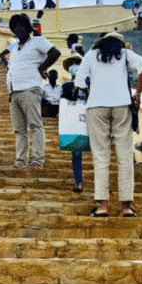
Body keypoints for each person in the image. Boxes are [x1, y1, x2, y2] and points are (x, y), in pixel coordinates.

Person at [75, 32, 142, 217]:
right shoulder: (124, 54)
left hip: (96, 107)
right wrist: (138, 93)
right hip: (122, 105)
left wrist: (91, 91)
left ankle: (102, 205)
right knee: (124, 156)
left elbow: (78, 80)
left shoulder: (91, 55)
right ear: (120, 44)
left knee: (100, 156)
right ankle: (126, 207)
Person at [0, 13, 61, 169]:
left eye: (22, 25)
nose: (18, 28)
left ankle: (38, 160)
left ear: (28, 28)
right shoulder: (15, 47)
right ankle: (20, 161)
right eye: (15, 26)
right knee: (19, 130)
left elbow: (55, 53)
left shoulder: (37, 41)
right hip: (14, 92)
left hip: (30, 89)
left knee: (35, 125)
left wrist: (42, 67)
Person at [61, 55, 85, 192]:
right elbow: (65, 105)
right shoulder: (66, 86)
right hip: (75, 122)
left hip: (90, 119)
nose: (75, 66)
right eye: (72, 64)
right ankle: (79, 181)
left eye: (77, 63)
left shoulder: (89, 84)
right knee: (76, 153)